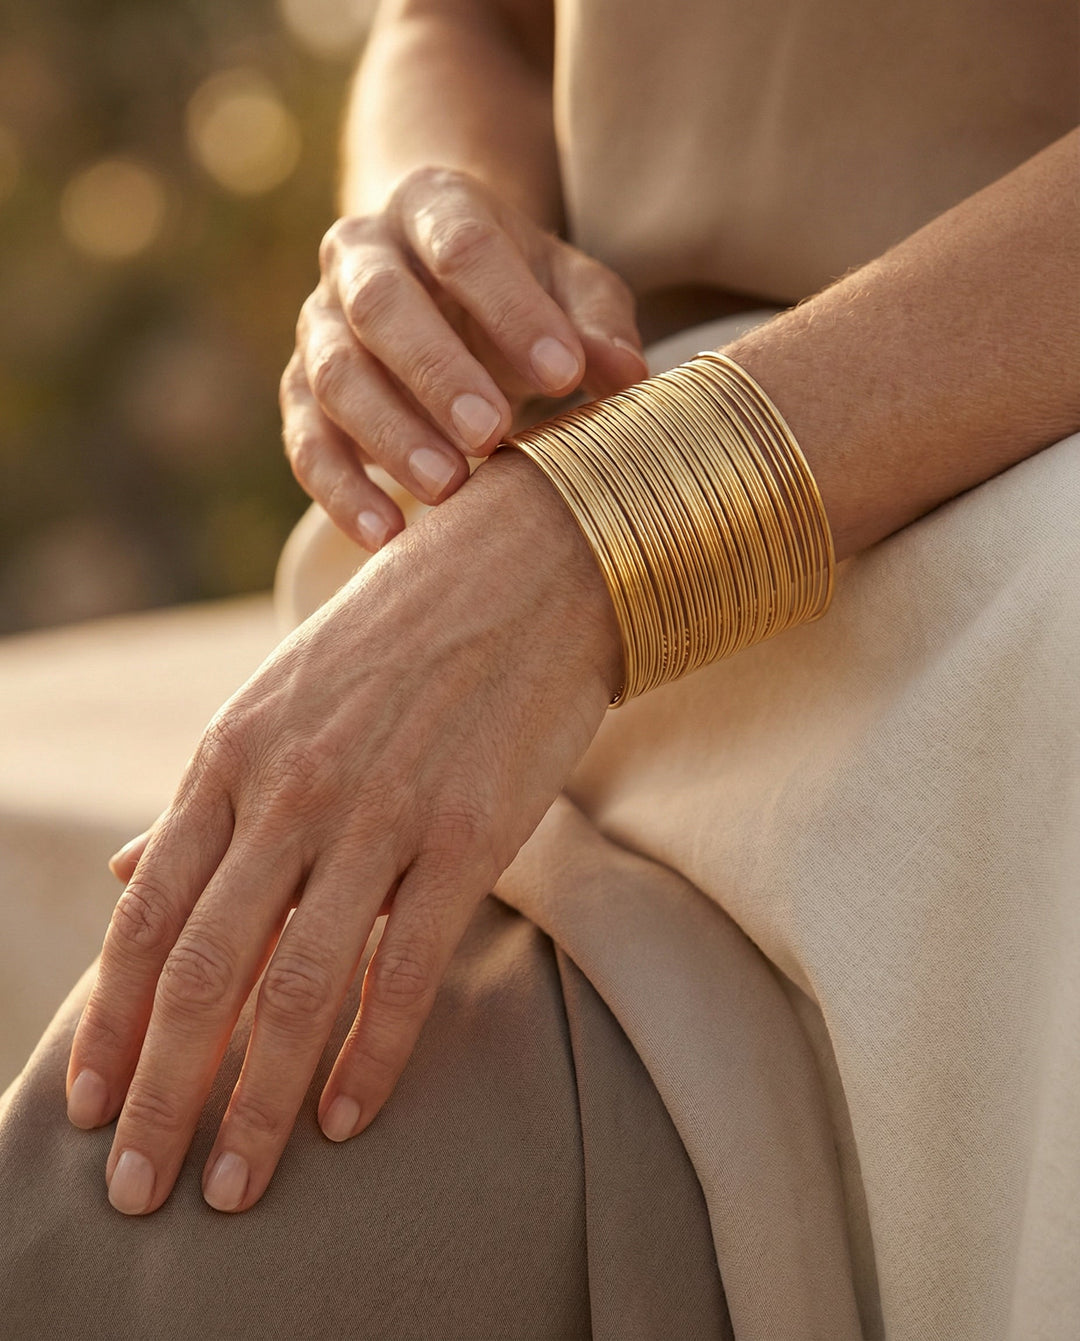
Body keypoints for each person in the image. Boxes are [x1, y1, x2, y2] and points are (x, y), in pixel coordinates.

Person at [2, 1, 1078, 1337]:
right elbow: (465, 24)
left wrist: (604, 540)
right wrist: (435, 238)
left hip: (1014, 629)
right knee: (97, 1245)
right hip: (566, 573)